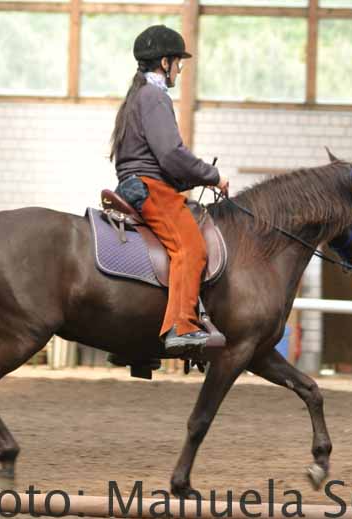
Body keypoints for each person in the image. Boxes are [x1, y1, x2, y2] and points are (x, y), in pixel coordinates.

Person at [110, 24, 230, 355]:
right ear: (165, 62)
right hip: (150, 187)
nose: (179, 68)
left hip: (138, 182)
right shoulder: (154, 96)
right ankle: (182, 326)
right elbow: (171, 155)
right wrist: (212, 175)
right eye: (178, 62)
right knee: (191, 249)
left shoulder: (139, 95)